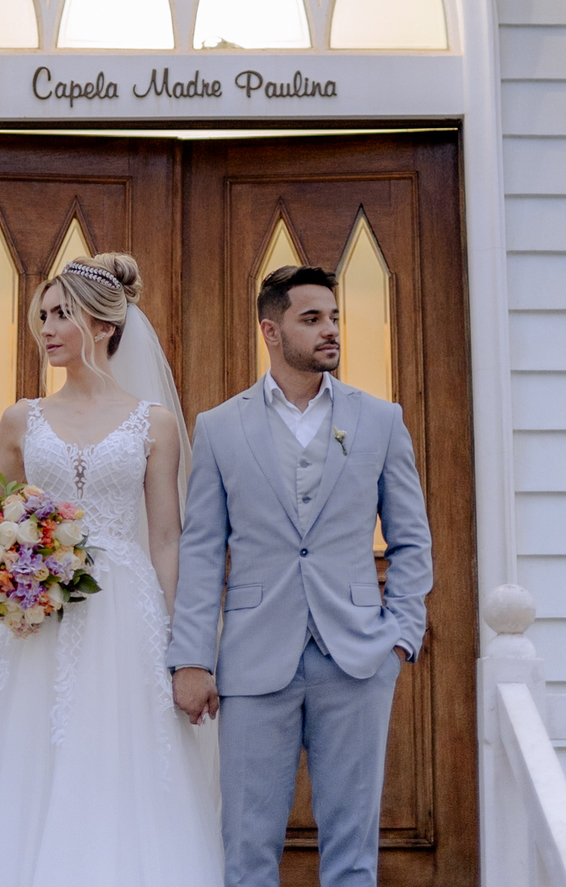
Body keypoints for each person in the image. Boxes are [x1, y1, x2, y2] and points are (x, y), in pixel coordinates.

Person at [0, 252, 223, 887]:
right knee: (32, 756)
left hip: (127, 613)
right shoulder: (20, 418)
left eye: (64, 314)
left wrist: (179, 639)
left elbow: (167, 537)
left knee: (119, 759)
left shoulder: (156, 424)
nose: (48, 328)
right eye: (44, 316)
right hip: (43, 617)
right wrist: (7, 579)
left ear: (106, 326)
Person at [168, 264, 433, 887]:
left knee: (352, 851)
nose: (330, 330)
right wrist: (190, 659)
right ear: (271, 329)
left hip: (359, 657)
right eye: (311, 319)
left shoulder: (379, 419)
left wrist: (400, 633)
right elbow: (202, 550)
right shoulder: (219, 426)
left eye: (334, 317)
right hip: (254, 658)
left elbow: (411, 539)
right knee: (248, 849)